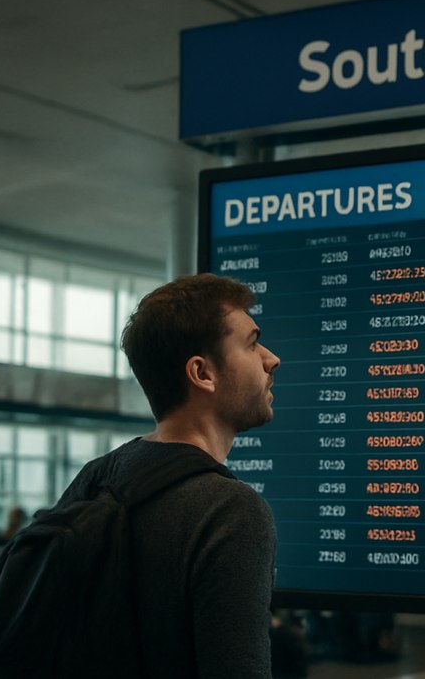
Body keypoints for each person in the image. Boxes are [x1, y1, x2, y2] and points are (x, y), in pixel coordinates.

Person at [56, 273, 281, 677]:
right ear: (202, 373)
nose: (271, 359)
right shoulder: (230, 512)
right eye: (251, 343)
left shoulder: (95, 478)